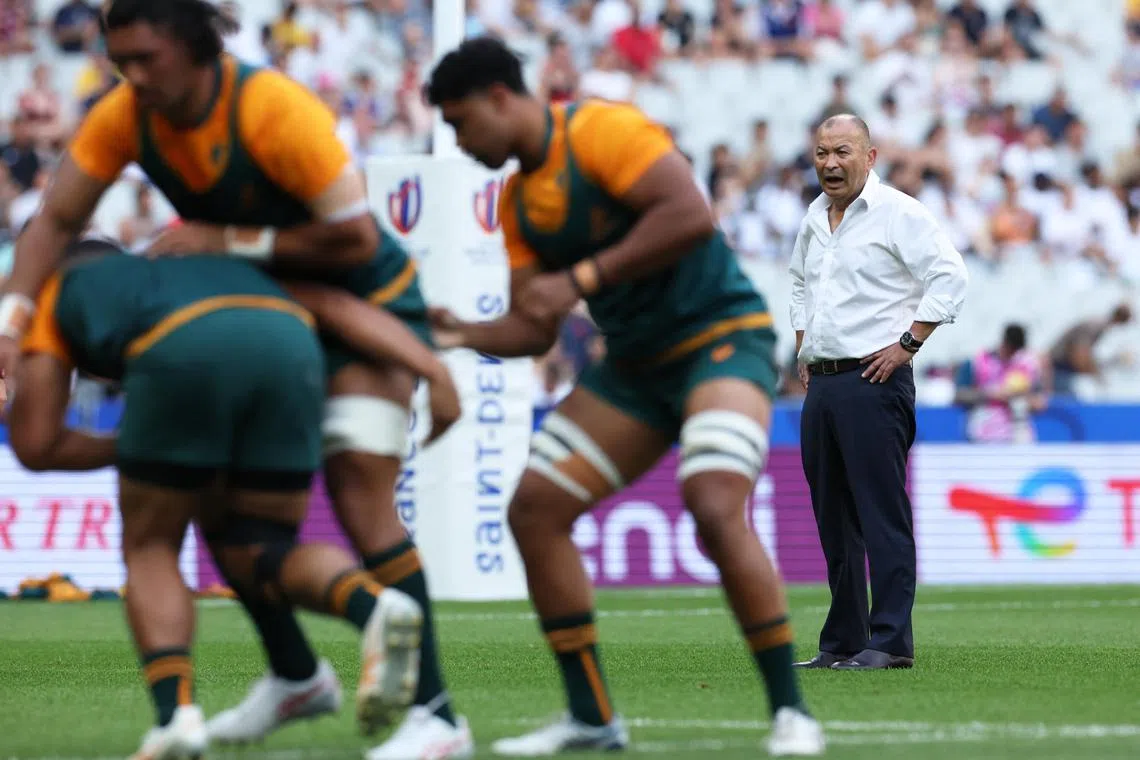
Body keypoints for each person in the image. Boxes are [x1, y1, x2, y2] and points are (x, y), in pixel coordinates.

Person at [0, 2, 471, 757]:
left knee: (359, 493)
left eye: (147, 58)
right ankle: (296, 676)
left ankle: (439, 716)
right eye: (120, 60)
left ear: (197, 51)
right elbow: (55, 219)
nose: (132, 77)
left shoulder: (275, 109)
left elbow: (351, 241)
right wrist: (9, 319)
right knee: (228, 513)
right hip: (266, 303)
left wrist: (424, 362)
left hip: (361, 303)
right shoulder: (126, 114)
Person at [425, 37, 825, 758]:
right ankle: (591, 717)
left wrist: (579, 279)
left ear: (499, 98)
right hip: (637, 368)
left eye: (459, 123)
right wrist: (458, 333)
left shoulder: (600, 130)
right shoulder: (516, 204)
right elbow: (531, 324)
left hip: (720, 338)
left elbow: (688, 215)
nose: (458, 140)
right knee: (535, 509)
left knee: (711, 502)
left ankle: (792, 713)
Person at [9, 239, 462, 760]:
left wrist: (143, 450)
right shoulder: (188, 267)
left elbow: (37, 444)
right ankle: (368, 607)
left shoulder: (56, 293)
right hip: (292, 345)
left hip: (186, 345)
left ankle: (175, 715)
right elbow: (334, 308)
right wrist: (432, 368)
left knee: (151, 545)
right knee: (255, 545)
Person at [789, 115, 968, 671]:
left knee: (879, 511)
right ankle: (843, 639)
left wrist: (907, 345)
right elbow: (798, 281)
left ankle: (890, 640)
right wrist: (804, 344)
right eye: (821, 153)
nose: (830, 163)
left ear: (870, 156)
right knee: (832, 518)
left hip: (875, 378)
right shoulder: (815, 218)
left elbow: (951, 277)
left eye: (842, 151)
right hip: (823, 380)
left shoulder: (899, 213)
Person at [954, 323, 1046, 444]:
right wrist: (989, 394)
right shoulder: (978, 362)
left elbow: (1040, 402)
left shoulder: (1027, 365)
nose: (1012, 354)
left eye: (1016, 350)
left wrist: (1020, 398)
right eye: (1010, 349)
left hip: (1018, 433)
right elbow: (959, 395)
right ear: (1004, 343)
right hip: (983, 432)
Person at [1048, 304, 1133, 395]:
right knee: (1068, 403)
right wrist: (1095, 374)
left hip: (1061, 368)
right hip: (1058, 368)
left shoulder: (1098, 323)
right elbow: (1080, 354)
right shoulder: (1096, 326)